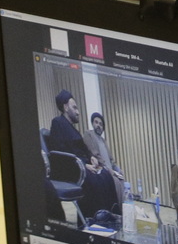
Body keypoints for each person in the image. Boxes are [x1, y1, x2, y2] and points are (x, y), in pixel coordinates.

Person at [45, 90, 121, 229]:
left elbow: (82, 148)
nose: (78, 112)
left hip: (81, 164)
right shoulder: (57, 123)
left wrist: (91, 158)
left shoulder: (72, 129)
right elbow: (60, 150)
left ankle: (111, 215)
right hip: (70, 168)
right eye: (74, 107)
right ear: (65, 107)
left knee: (105, 175)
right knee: (94, 180)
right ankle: (95, 220)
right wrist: (84, 165)